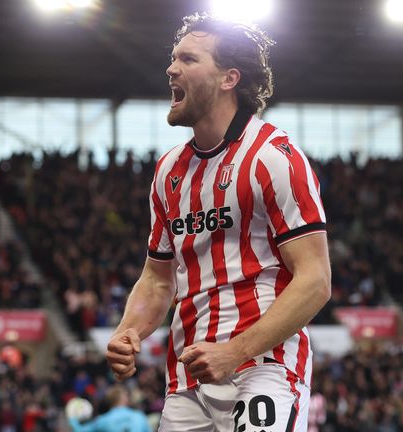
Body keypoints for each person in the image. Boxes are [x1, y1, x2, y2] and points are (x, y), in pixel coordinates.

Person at [105, 12, 331, 432]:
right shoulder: (168, 171)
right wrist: (127, 331)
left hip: (264, 367)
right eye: (173, 58)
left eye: (188, 59)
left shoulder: (272, 157)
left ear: (229, 78)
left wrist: (234, 352)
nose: (171, 68)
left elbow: (315, 280)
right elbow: (157, 279)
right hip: (188, 380)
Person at [68, 385, 150, 432]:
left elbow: (80, 430)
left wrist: (72, 416)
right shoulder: (139, 416)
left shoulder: (102, 421)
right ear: (125, 399)